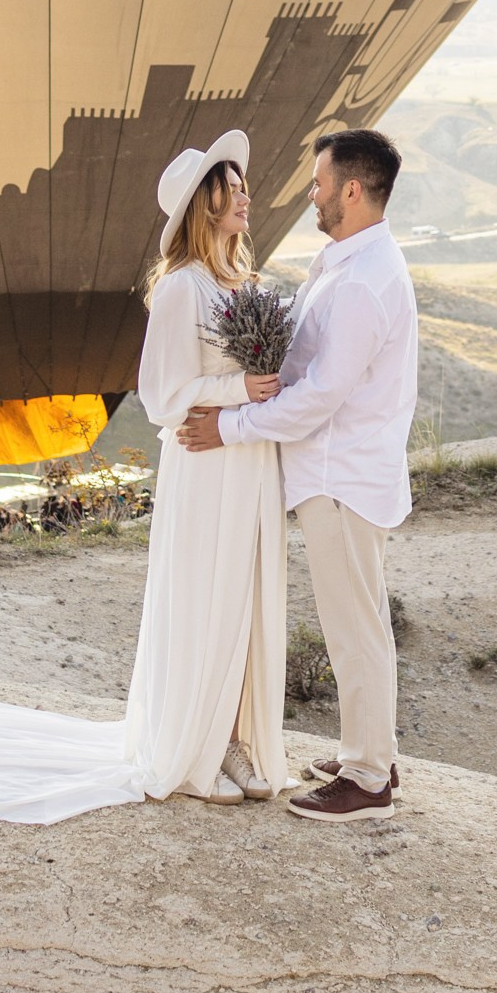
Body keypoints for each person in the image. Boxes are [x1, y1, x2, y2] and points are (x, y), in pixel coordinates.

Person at [179, 128, 415, 823]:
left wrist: (228, 427)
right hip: (335, 475)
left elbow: (317, 396)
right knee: (358, 621)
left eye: (317, 184)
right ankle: (367, 753)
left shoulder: (364, 283)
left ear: (350, 189)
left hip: (339, 478)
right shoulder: (347, 264)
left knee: (354, 630)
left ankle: (369, 780)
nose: (309, 194)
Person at [123, 133, 289, 804]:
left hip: (250, 464)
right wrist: (235, 391)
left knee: (246, 601)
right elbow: (160, 395)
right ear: (204, 203)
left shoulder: (246, 285)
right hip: (202, 465)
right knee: (206, 595)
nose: (245, 195)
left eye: (243, 184)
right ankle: (200, 746)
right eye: (231, 185)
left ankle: (239, 740)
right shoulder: (180, 290)